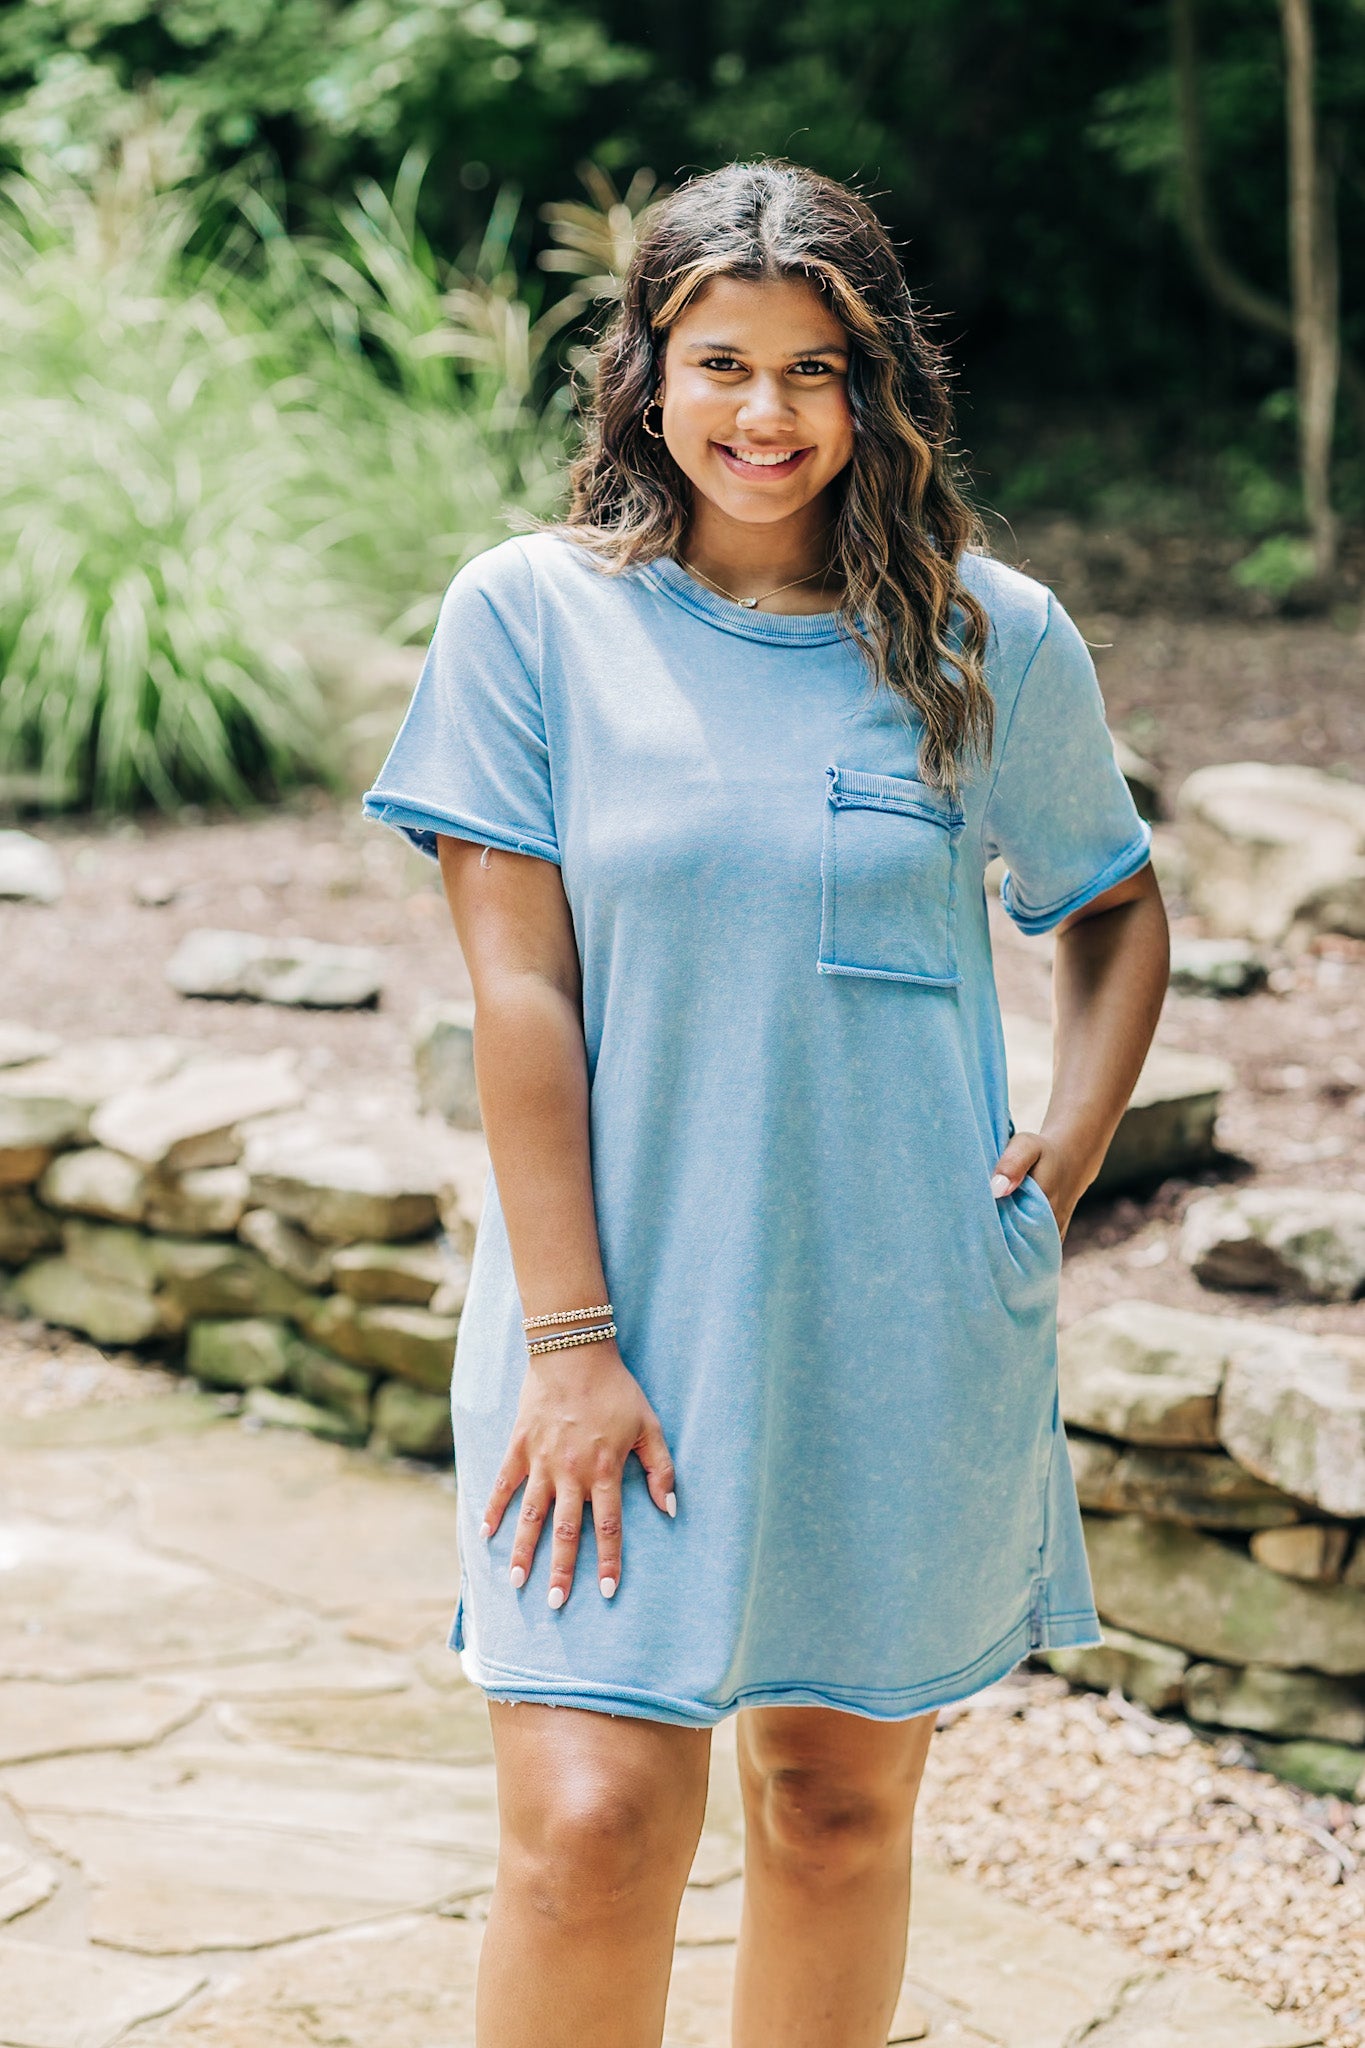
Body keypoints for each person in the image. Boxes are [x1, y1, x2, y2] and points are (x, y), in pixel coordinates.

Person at [363, 157, 1169, 2048]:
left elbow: (1114, 912)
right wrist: (571, 1341)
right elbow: (520, 991)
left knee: (828, 1812)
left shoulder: (990, 638)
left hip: (893, 1321)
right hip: (610, 1315)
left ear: (879, 388)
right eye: (720, 359)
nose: (764, 413)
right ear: (645, 370)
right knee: (585, 1829)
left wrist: (1052, 1171)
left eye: (817, 367)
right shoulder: (532, 620)